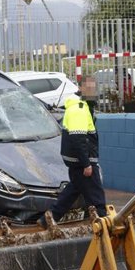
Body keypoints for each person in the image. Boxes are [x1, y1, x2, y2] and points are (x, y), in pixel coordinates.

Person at [38, 92, 106, 228]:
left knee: (73, 190)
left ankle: (48, 219)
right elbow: (78, 139)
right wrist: (86, 163)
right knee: (96, 194)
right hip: (82, 161)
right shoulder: (79, 109)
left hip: (78, 160)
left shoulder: (82, 107)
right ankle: (104, 223)